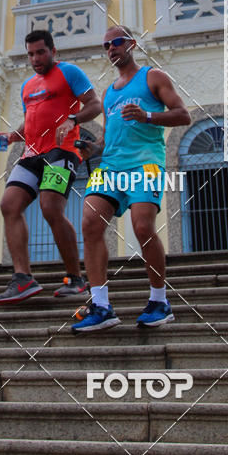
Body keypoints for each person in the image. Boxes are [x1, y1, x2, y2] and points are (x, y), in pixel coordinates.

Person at [71, 26, 190, 333]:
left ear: (132, 44)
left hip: (145, 164)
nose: (111, 48)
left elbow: (183, 115)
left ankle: (159, 301)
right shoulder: (109, 92)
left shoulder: (153, 77)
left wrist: (148, 116)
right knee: (89, 224)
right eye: (106, 44)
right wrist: (92, 148)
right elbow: (109, 136)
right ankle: (101, 306)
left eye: (117, 42)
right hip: (111, 166)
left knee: (142, 226)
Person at [0, 29, 101, 303]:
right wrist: (11, 136)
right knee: (9, 205)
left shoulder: (70, 72)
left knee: (50, 207)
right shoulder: (27, 86)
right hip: (31, 154)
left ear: (54, 51)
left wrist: (73, 120)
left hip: (61, 151)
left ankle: (75, 278)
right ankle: (23, 278)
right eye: (30, 54)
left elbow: (95, 104)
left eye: (41, 52)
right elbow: (31, 121)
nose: (36, 58)